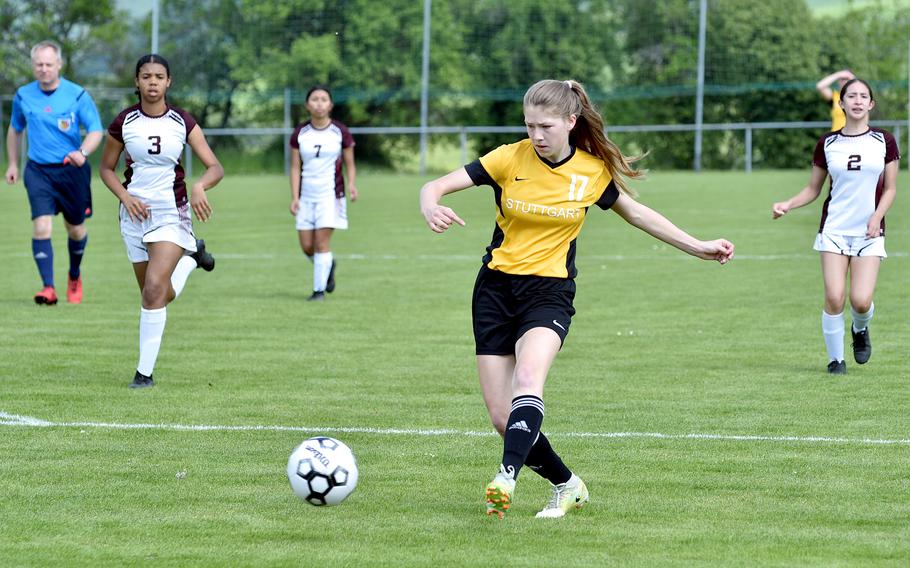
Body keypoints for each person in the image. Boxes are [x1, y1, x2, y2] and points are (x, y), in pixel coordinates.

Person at [419, 79, 735, 519]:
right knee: (500, 417)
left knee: (528, 381)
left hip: (549, 292)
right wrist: (429, 204)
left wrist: (697, 245)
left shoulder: (589, 171)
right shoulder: (508, 158)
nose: (536, 136)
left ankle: (505, 476)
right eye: (529, 125)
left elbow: (638, 214)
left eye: (545, 126)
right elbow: (434, 186)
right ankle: (568, 485)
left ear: (570, 121)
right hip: (494, 289)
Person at [99, 54, 224, 389]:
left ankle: (144, 375)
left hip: (171, 212)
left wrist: (200, 185)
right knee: (156, 294)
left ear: (169, 82)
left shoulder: (182, 121)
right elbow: (106, 169)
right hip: (133, 216)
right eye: (145, 76)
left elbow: (215, 167)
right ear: (137, 82)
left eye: (159, 76)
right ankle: (192, 260)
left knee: (154, 289)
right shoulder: (124, 122)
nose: (152, 82)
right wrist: (125, 197)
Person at [772, 78, 898, 375]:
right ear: (840, 103)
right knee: (834, 296)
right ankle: (836, 360)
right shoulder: (827, 143)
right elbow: (813, 189)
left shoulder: (885, 141)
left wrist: (877, 216)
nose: (856, 100)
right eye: (850, 96)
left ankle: (860, 328)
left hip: (869, 231)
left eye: (862, 96)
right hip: (834, 230)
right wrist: (788, 204)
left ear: (871, 104)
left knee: (861, 300)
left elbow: (891, 188)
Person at [4, 40, 103, 305]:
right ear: (33, 66)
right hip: (38, 171)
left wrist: (82, 153)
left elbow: (95, 129)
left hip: (71, 172)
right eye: (39, 64)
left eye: (49, 64)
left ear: (58, 64)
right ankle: (48, 288)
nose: (44, 69)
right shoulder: (24, 96)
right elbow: (15, 129)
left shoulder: (77, 95)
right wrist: (13, 163)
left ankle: (74, 275)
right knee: (42, 226)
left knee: (75, 230)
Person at [289, 86, 358, 302]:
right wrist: (294, 197)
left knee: (321, 244)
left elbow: (350, 164)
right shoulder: (300, 133)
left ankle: (318, 291)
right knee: (307, 246)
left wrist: (352, 185)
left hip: (331, 196)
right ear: (307, 105)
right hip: (306, 196)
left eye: (324, 99)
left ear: (330, 105)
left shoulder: (340, 131)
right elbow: (294, 167)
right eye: (315, 99)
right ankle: (328, 264)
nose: (319, 103)